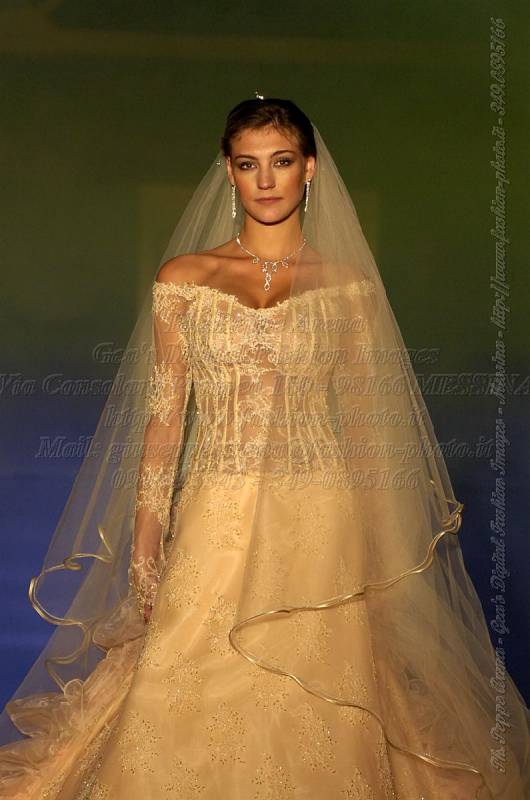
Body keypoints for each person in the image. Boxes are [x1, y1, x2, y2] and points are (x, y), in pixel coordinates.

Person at [0, 96, 528, 799]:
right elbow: (164, 420)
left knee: (324, 694)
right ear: (229, 171)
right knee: (183, 674)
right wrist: (146, 542)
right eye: (249, 164)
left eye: (281, 161)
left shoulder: (347, 289)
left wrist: (382, 555)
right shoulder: (184, 280)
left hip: (322, 518)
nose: (266, 179)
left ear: (309, 169)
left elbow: (368, 428)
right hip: (214, 509)